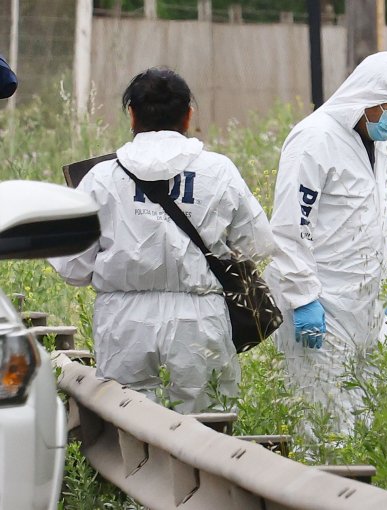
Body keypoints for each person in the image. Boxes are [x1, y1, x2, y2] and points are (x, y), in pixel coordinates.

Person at [49, 67, 274, 413]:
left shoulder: (101, 178)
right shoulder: (219, 171)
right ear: (188, 115)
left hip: (125, 322)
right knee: (206, 429)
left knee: (128, 423)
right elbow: (257, 244)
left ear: (132, 114)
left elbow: (73, 267)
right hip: (200, 318)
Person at [264, 51, 387, 436]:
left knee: (366, 427)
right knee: (323, 426)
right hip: (324, 308)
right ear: (368, 97)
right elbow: (290, 225)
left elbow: (381, 224)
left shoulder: (377, 147)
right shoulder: (314, 138)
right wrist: (303, 298)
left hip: (367, 310)